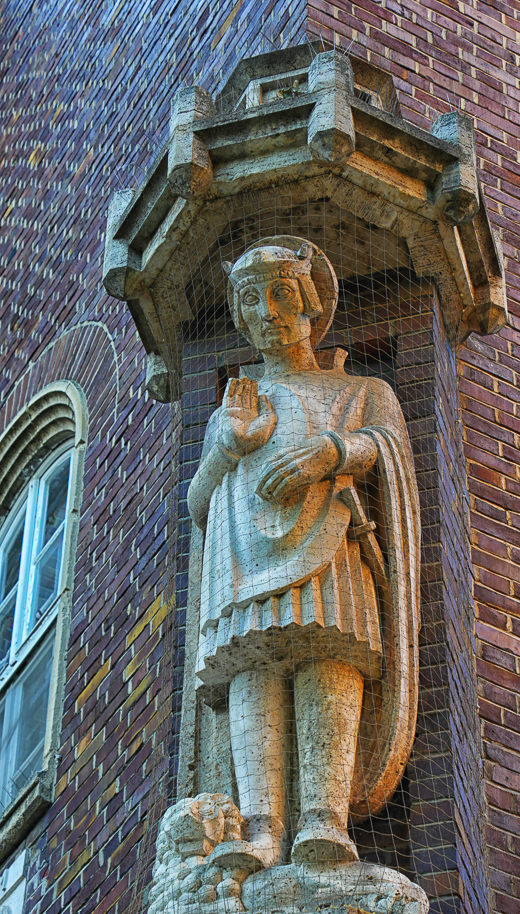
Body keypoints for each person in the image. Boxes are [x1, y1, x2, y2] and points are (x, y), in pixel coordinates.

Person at [187, 237, 420, 874]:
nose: (267, 311)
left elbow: (387, 448)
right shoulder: (233, 407)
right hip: (243, 557)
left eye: (282, 294)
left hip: (330, 545)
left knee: (327, 654)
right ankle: (263, 829)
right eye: (251, 300)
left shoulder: (360, 390)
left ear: (312, 305)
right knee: (253, 670)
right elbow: (198, 502)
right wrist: (229, 446)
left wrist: (331, 452)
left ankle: (324, 819)